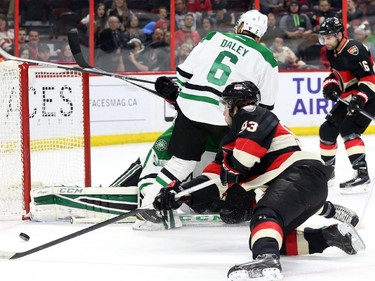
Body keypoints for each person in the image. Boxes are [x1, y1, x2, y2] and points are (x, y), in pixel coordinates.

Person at [152, 81, 366, 280]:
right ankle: (332, 236)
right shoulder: (232, 139)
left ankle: (266, 261)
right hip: (306, 184)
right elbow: (214, 178)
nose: (223, 111)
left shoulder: (253, 114)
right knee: (267, 237)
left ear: (234, 105)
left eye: (225, 104)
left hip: (300, 174)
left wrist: (232, 168)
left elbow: (242, 160)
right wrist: (180, 192)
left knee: (265, 215)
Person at [134, 9, 279, 231]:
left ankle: (148, 211)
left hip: (190, 107)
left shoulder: (214, 37)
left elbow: (182, 75)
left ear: (239, 25)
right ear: (260, 34)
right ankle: (265, 206)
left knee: (181, 163)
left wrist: (178, 92)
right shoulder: (266, 56)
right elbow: (266, 107)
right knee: (238, 164)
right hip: (226, 115)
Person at [318, 17, 375, 193]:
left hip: (369, 96)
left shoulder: (354, 50)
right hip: (350, 96)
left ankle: (362, 174)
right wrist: (331, 86)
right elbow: (336, 75)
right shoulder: (332, 51)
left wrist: (360, 99)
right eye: (323, 37)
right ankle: (328, 173)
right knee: (327, 130)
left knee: (349, 128)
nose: (325, 41)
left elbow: (370, 78)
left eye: (329, 37)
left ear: (340, 35)